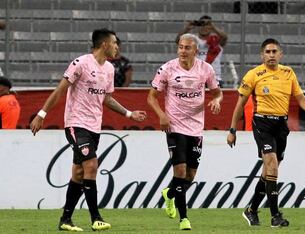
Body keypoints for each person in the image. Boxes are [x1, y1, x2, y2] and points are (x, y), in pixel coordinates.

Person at [30, 28, 147, 232]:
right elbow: (60, 90)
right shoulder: (81, 63)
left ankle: (65, 220)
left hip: (94, 127)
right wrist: (41, 114)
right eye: (115, 43)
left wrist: (129, 114)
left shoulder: (109, 69)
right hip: (76, 124)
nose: (117, 47)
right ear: (104, 44)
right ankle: (96, 218)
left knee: (78, 173)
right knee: (91, 165)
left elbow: (107, 98)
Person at [226, 38, 305, 227]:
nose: (271, 55)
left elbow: (299, 95)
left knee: (269, 171)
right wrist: (232, 129)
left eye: (274, 51)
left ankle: (251, 210)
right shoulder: (254, 74)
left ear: (280, 54)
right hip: (262, 123)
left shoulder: (288, 73)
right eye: (267, 52)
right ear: (262, 55)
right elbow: (240, 104)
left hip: (281, 126)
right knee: (272, 165)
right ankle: (276, 216)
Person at [147, 33, 223, 230]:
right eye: (180, 47)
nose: (182, 51)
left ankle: (169, 194)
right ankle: (184, 219)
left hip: (196, 128)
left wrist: (216, 100)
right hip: (174, 126)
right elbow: (151, 97)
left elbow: (217, 92)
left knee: (190, 175)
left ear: (195, 50)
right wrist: (162, 115)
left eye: (187, 48)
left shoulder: (206, 69)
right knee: (179, 171)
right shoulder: (167, 68)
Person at [175, 15, 228, 87]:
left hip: (214, 79)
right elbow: (178, 40)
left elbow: (224, 38)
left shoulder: (216, 40)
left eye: (207, 25)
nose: (204, 27)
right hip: (195, 78)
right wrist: (187, 28)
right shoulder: (192, 39)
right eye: (202, 25)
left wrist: (213, 27)